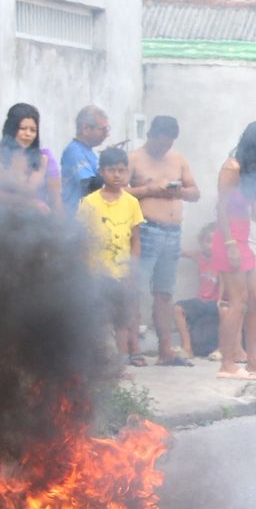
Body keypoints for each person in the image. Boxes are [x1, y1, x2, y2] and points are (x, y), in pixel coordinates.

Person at [211, 121, 256, 380]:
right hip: (229, 239)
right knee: (237, 301)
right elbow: (220, 208)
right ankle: (228, 364)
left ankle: (253, 359)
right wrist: (231, 244)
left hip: (243, 239)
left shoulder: (252, 172)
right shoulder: (232, 168)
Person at [128, 115, 200, 366]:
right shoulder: (134, 158)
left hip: (172, 231)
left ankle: (165, 350)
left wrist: (176, 191)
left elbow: (195, 193)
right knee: (135, 291)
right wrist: (149, 190)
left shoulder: (178, 159)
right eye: (160, 144)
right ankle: (134, 348)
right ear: (151, 136)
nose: (164, 149)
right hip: (146, 229)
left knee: (165, 293)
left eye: (168, 145)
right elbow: (119, 191)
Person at [77, 147, 145, 365]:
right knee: (97, 319)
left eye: (122, 170)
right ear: (101, 171)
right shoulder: (89, 203)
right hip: (95, 272)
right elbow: (81, 239)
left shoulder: (131, 203)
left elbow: (135, 239)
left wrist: (132, 269)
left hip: (121, 273)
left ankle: (121, 362)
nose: (117, 175)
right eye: (112, 170)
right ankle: (97, 363)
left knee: (121, 320)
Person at [0, 102, 60, 211]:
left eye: (33, 130)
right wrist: (29, 203)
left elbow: (56, 200)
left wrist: (61, 226)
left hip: (37, 223)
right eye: (22, 128)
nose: (28, 134)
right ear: (11, 129)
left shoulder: (45, 158)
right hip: (0, 222)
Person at [175, 224, 222, 361]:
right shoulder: (198, 256)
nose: (211, 245)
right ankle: (187, 347)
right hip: (201, 301)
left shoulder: (223, 260)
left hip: (216, 301)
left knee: (227, 312)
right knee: (178, 308)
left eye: (216, 242)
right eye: (208, 241)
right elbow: (181, 252)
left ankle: (221, 349)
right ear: (201, 242)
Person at [59, 105, 110, 213]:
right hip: (75, 218)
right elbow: (90, 185)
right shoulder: (74, 151)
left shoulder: (90, 152)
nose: (107, 134)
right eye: (103, 129)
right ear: (86, 129)